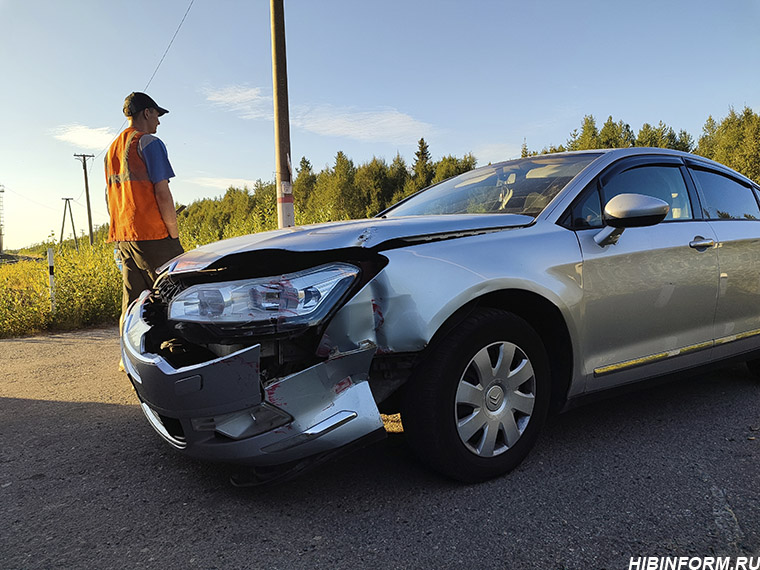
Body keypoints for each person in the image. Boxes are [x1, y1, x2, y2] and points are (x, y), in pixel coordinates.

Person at [105, 92, 184, 330]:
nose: (158, 121)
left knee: (132, 303)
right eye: (157, 115)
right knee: (177, 296)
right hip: (152, 234)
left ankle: (126, 357)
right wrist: (173, 232)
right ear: (147, 112)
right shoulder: (149, 142)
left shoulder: (112, 150)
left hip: (124, 235)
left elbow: (110, 198)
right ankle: (176, 355)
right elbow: (162, 193)